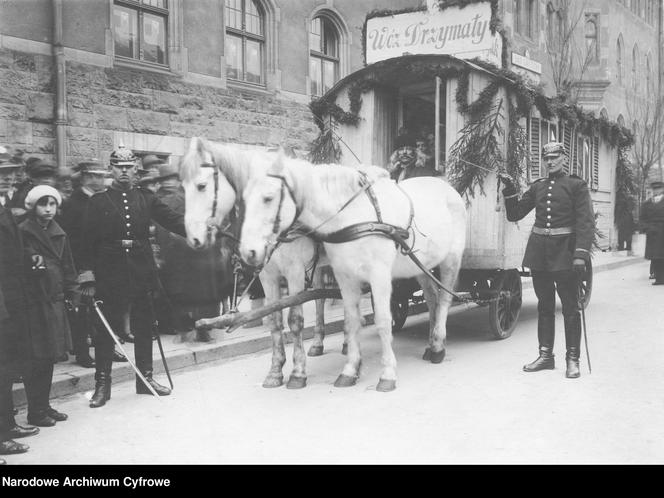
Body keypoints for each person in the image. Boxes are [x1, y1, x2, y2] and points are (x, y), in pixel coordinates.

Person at [78, 145, 186, 408]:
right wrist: (88, 276)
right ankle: (102, 386)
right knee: (106, 331)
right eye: (119, 167)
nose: (124, 172)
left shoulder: (145, 198)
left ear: (135, 170)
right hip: (108, 272)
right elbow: (84, 242)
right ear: (111, 169)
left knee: (144, 326)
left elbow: (172, 220)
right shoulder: (98, 201)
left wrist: (198, 229)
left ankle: (146, 380)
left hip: (141, 270)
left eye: (128, 168)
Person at [499, 141, 594, 379]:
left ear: (564, 158)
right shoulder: (538, 187)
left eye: (554, 157)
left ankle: (573, 359)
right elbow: (515, 214)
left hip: (565, 255)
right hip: (540, 254)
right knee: (545, 307)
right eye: (546, 158)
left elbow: (585, 222)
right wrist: (510, 189)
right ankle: (545, 356)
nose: (550, 162)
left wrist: (581, 254)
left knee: (570, 308)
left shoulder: (576, 185)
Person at [58, 160, 128, 367]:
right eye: (95, 176)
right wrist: (81, 268)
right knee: (82, 311)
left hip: (104, 264)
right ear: (85, 178)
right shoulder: (73, 203)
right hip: (81, 265)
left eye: (101, 175)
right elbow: (71, 239)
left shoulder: (103, 199)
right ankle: (82, 354)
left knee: (107, 308)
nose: (100, 179)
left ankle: (108, 348)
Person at [154, 162, 229, 341]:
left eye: (171, 179)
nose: (168, 183)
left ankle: (200, 330)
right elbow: (165, 229)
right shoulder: (173, 200)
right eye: (164, 180)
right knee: (187, 295)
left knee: (201, 295)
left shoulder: (196, 196)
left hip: (200, 255)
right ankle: (190, 331)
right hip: (184, 255)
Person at [19, 185, 74, 426]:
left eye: (52, 204)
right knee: (36, 358)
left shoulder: (59, 232)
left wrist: (73, 291)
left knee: (50, 356)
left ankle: (44, 405)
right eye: (43, 204)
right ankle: (35, 410)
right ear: (33, 206)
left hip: (55, 300)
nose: (49, 209)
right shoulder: (23, 232)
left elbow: (68, 265)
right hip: (34, 302)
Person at [0, 148, 39, 462]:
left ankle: (7, 426)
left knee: (6, 366)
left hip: (11, 298)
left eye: (9, 172)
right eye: (2, 173)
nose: (8, 177)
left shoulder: (4, 204)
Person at [639, 181, 664, 285]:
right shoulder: (647, 203)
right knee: (655, 257)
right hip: (652, 233)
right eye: (655, 189)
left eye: (659, 189)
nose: (656, 191)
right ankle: (658, 278)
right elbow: (642, 218)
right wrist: (646, 228)